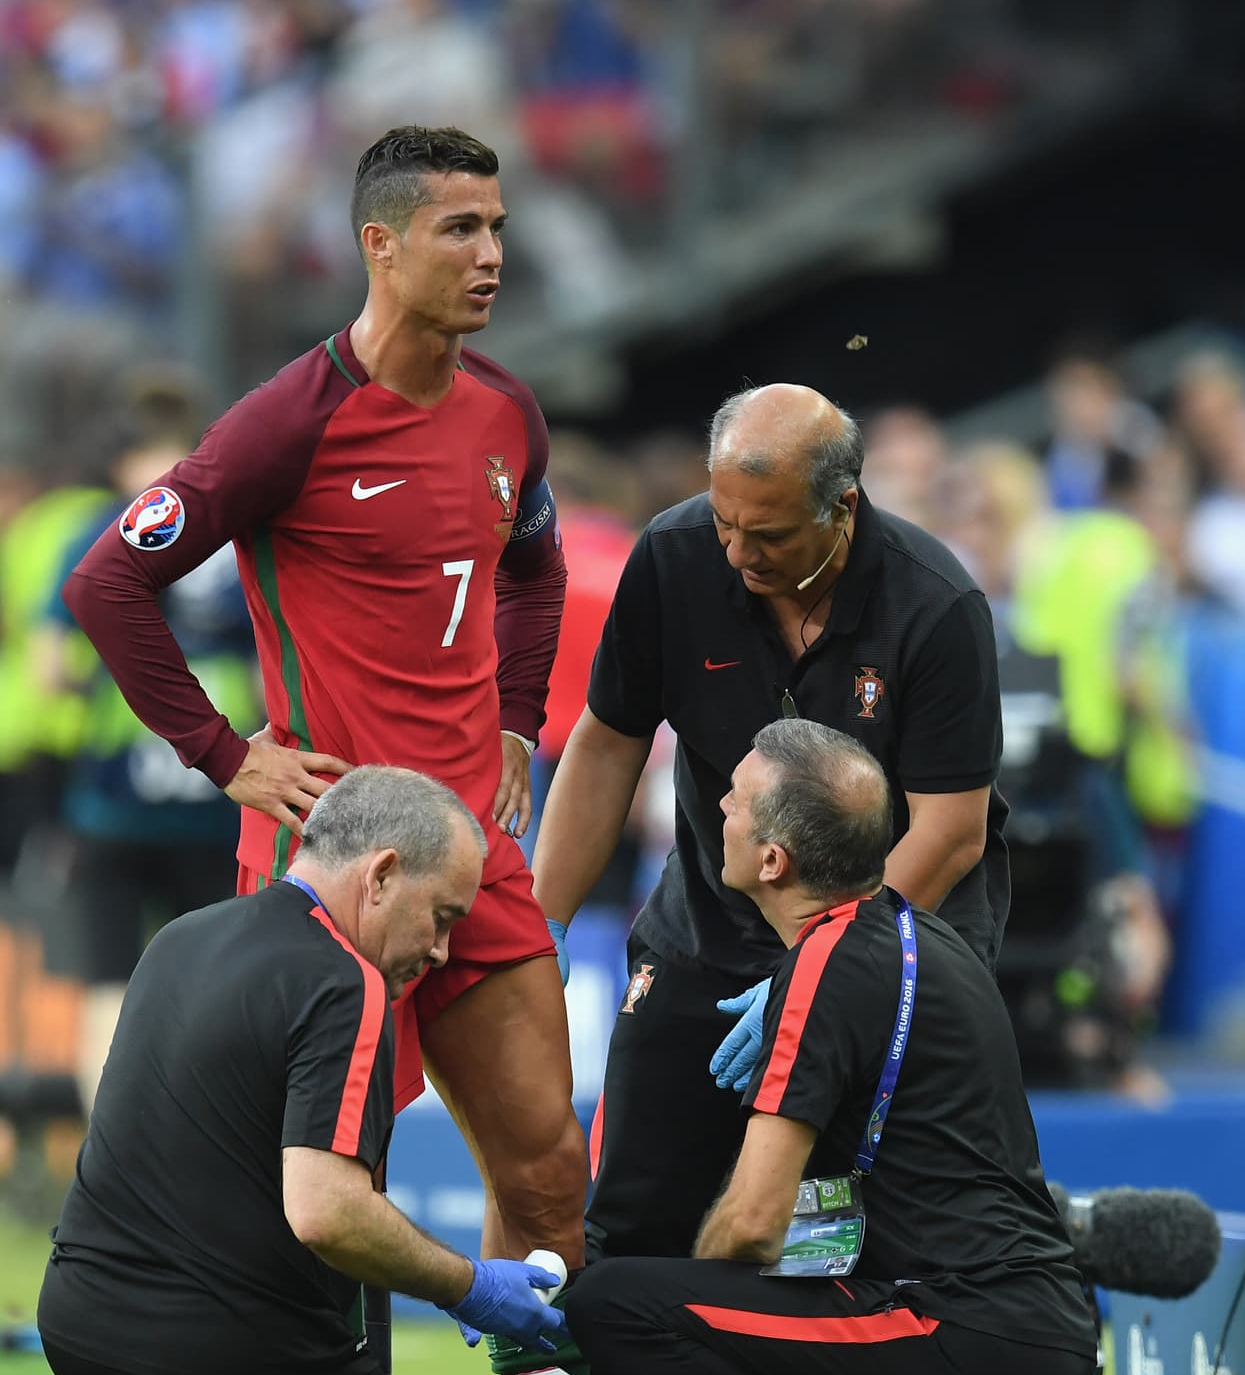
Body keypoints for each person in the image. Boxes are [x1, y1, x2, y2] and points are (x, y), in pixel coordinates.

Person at [62, 125, 587, 1275]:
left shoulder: (507, 413)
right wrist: (221, 754)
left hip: (474, 842)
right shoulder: (289, 420)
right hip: (332, 849)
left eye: (497, 226)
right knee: (317, 1188)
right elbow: (106, 580)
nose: (492, 252)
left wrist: (516, 715)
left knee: (547, 1167)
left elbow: (536, 569)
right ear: (380, 247)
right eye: (461, 228)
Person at [565, 722, 1168, 1375]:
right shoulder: (923, 936)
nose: (715, 807)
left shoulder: (823, 961)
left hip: (962, 1335)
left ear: (773, 859)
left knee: (609, 1303)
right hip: (1027, 1339)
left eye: (734, 797)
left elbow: (755, 1223)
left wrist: (683, 1318)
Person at [37, 765, 569, 1375]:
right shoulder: (343, 978)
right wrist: (472, 1287)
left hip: (79, 1328)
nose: (439, 951)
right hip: (209, 1346)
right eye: (441, 919)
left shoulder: (181, 936)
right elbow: (324, 1210)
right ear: (383, 873)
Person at [533, 382, 1009, 1262]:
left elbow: (951, 831)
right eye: (725, 522)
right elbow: (606, 745)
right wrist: (543, 924)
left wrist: (825, 978)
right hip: (710, 924)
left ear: (843, 507)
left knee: (863, 1246)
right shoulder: (674, 559)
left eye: (773, 534)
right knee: (633, 1220)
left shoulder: (935, 606)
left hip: (894, 945)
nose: (740, 552)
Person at [36, 382, 261, 1114]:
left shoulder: (100, 531)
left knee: (109, 983)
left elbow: (53, 668)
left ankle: (104, 1173)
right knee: (222, 982)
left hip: (115, 803)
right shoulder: (238, 533)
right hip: (227, 795)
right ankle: (205, 1156)